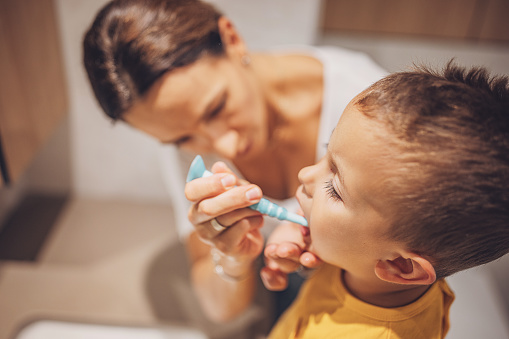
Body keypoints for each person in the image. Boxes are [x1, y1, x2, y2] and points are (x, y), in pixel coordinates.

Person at [82, 0, 386, 328]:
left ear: (232, 39)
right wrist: (232, 258)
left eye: (216, 108)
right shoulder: (186, 151)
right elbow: (221, 309)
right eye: (182, 139)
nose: (226, 148)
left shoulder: (364, 99)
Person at [262, 61, 509, 338]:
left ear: (400, 266)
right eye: (326, 151)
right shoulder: (367, 257)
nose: (306, 174)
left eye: (334, 189)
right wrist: (296, 231)